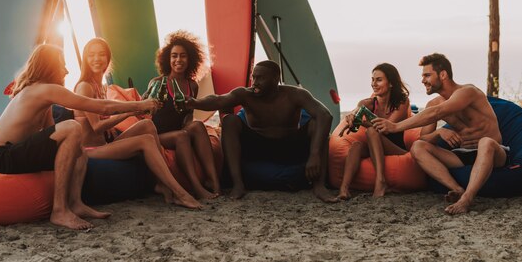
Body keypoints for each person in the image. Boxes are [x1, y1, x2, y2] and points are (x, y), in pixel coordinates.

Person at [0, 44, 158, 230]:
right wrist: (138, 106)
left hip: (9, 154)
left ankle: (76, 203)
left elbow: (54, 133)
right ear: (49, 68)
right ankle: (59, 210)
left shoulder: (44, 97)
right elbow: (101, 107)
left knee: (77, 147)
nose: (66, 70)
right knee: (73, 128)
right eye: (61, 65)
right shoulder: (44, 89)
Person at [72, 38, 202, 210]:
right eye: (91, 55)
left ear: (108, 58)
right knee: (145, 140)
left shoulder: (101, 87)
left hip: (105, 144)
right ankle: (179, 192)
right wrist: (132, 111)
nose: (97, 59)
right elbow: (96, 127)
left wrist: (114, 123)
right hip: (90, 151)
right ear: (85, 59)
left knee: (147, 126)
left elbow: (102, 121)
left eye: (101, 54)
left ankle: (162, 183)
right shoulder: (84, 87)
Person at [371, 53, 508, 215]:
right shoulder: (433, 104)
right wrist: (439, 133)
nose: (422, 80)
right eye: (422, 76)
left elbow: (437, 112)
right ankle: (456, 189)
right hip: (462, 155)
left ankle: (466, 199)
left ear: (443, 75)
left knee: (485, 142)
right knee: (418, 147)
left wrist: (395, 127)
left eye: (427, 75)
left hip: (494, 153)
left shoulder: (468, 92)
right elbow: (423, 138)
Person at [186, 60, 337, 202]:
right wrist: (195, 102)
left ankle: (319, 186)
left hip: (290, 146)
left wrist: (314, 154)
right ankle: (238, 184)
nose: (255, 82)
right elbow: (219, 100)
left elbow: (325, 115)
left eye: (260, 78)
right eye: (253, 77)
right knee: (230, 121)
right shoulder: (245, 94)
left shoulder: (295, 94)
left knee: (317, 124)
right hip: (257, 146)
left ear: (275, 79)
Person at [147, 31, 220, 199]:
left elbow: (188, 117)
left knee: (197, 125)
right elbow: (147, 113)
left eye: (183, 56)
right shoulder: (157, 83)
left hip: (179, 131)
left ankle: (214, 181)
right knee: (182, 136)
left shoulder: (192, 85)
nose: (178, 60)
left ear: (190, 59)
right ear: (167, 59)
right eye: (174, 56)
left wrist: (190, 127)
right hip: (158, 134)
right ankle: (197, 188)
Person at [338, 63, 410, 199]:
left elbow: (387, 128)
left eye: (379, 80)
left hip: (396, 148)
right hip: (376, 145)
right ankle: (344, 189)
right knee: (356, 146)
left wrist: (363, 122)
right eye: (372, 80)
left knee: (371, 131)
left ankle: (381, 181)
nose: (374, 84)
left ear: (391, 83)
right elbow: (356, 111)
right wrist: (352, 117)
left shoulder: (402, 101)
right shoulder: (368, 103)